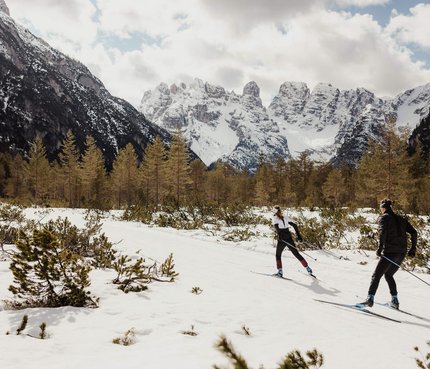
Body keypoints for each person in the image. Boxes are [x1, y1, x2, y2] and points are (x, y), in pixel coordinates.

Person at [360, 199, 417, 309]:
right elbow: (414, 232)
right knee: (389, 275)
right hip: (401, 253)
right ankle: (395, 301)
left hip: (390, 252)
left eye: (380, 208)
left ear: (383, 207)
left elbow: (382, 233)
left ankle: (370, 299)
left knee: (376, 276)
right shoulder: (402, 219)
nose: (380, 210)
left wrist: (380, 248)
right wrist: (413, 249)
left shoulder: (384, 218)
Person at [272, 205, 312, 277]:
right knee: (296, 254)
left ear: (274, 212)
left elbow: (277, 229)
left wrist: (280, 237)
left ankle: (280, 272)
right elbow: (295, 225)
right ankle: (308, 269)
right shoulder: (286, 217)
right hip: (289, 238)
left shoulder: (275, 219)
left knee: (278, 255)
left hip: (282, 239)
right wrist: (299, 236)